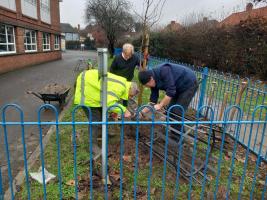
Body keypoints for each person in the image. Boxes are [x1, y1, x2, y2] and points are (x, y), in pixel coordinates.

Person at [74, 69, 139, 160]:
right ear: (130, 90)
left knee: (102, 114)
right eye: (130, 95)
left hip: (92, 89)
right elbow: (110, 103)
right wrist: (124, 111)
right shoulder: (120, 88)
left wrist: (113, 111)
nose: (129, 97)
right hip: (87, 91)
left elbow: (108, 98)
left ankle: (100, 133)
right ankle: (92, 145)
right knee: (95, 120)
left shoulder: (122, 84)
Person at [138, 62, 198, 139]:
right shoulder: (153, 83)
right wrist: (142, 112)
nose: (147, 87)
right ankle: (174, 133)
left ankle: (178, 138)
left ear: (151, 79)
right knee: (170, 111)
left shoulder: (164, 71)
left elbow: (171, 91)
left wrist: (160, 105)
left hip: (189, 84)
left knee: (177, 111)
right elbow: (153, 101)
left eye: (147, 85)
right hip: (177, 88)